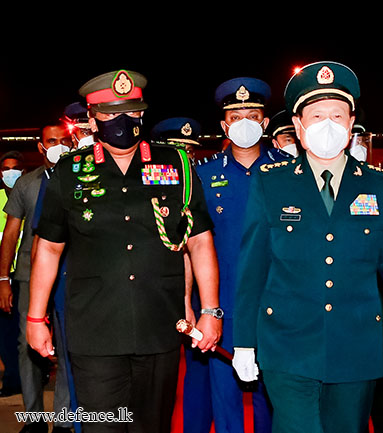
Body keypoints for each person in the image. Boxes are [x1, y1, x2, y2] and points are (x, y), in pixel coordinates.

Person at [26, 69, 222, 433]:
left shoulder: (176, 165)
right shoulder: (69, 173)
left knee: (152, 426)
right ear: (91, 118)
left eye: (131, 112)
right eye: (110, 113)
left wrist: (209, 309)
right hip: (95, 329)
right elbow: (49, 250)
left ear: (142, 115)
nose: (122, 121)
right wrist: (36, 319)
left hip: (159, 325)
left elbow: (199, 241)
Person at [232, 61, 383, 433]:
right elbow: (253, 266)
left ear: (351, 124)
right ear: (299, 128)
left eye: (337, 115)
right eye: (317, 116)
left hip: (355, 345)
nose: (328, 125)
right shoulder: (272, 184)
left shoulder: (380, 186)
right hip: (287, 344)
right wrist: (244, 342)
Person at [189, 77, 284, 433]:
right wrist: (193, 303)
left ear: (265, 122)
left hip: (275, 304)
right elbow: (190, 245)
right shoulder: (202, 175)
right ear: (224, 125)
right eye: (236, 115)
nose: (244, 121)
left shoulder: (288, 172)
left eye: (253, 114)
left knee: (272, 397)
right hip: (221, 306)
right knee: (225, 397)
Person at [0, 124, 72, 433]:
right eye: (51, 141)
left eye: (63, 140)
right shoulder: (26, 185)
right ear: (41, 146)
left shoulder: (80, 180)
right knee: (26, 346)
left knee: (68, 346)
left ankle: (66, 417)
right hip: (30, 276)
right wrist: (3, 278)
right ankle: (33, 418)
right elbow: (11, 233)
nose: (58, 145)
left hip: (70, 275)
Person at [0, 150, 24, 399]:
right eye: (6, 169)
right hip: (4, 276)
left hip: (26, 275)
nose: (10, 173)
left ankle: (30, 375)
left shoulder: (30, 194)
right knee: (6, 332)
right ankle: (12, 379)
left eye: (15, 168)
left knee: (25, 330)